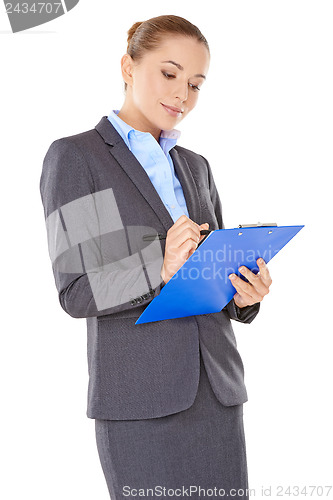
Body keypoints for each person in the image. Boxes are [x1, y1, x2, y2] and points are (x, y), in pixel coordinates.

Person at [40, 14, 272, 500]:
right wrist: (158, 265)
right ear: (128, 66)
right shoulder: (79, 158)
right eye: (169, 74)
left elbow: (211, 277)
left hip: (218, 394)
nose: (182, 95)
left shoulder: (195, 167)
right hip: (140, 403)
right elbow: (78, 290)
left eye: (195, 83)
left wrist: (245, 293)